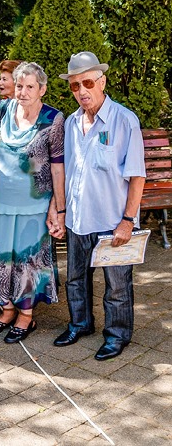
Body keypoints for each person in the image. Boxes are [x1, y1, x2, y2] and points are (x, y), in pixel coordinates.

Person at [56, 52, 144, 361]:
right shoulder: (71, 122)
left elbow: (136, 177)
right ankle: (80, 324)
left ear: (102, 81)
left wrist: (127, 221)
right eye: (74, 85)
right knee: (76, 279)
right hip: (79, 219)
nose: (81, 90)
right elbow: (66, 171)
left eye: (88, 82)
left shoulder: (125, 120)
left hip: (112, 222)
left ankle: (117, 334)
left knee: (117, 286)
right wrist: (62, 211)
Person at [0, 62, 63, 345]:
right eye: (19, 86)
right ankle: (6, 310)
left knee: (27, 260)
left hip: (34, 203)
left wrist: (57, 206)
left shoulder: (53, 119)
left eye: (30, 87)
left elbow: (58, 167)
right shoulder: (3, 109)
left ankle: (26, 316)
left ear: (42, 89)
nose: (23, 92)